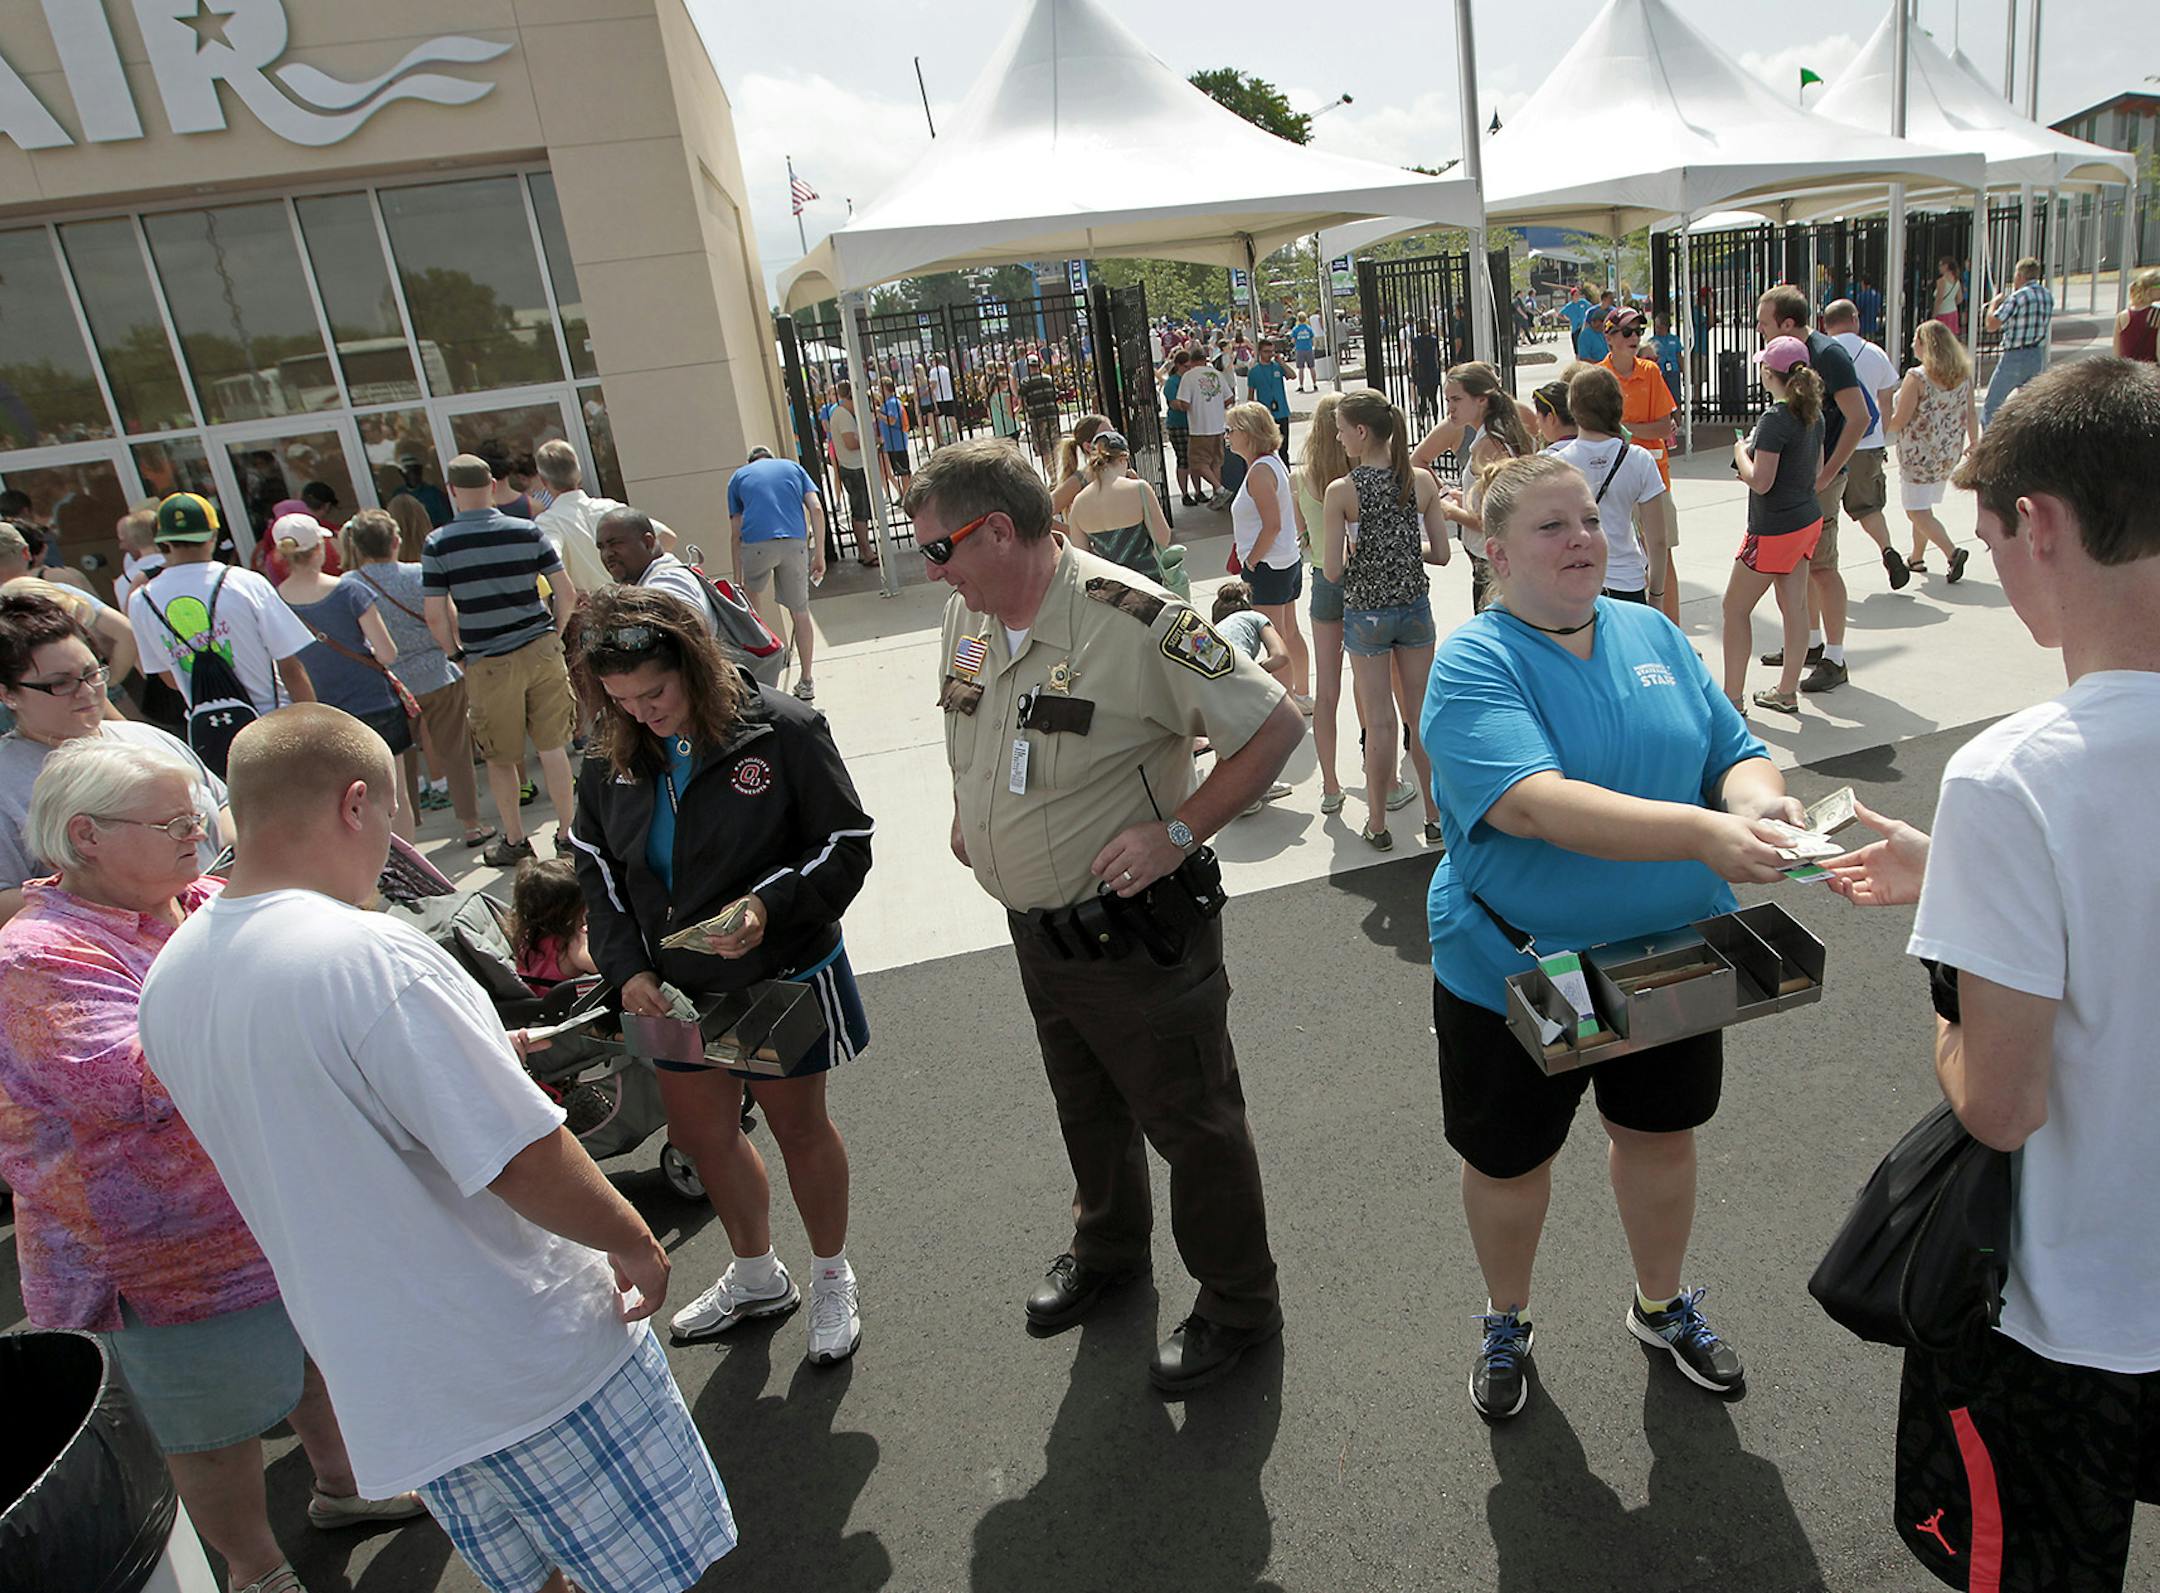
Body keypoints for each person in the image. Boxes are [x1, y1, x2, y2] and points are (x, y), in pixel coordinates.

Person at [139, 705, 736, 1593]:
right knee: (655, 1573)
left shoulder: (171, 976)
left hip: (393, 1382)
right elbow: (519, 1155)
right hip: (527, 1352)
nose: (390, 842)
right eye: (387, 816)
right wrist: (632, 1238)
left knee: (536, 1581)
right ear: (353, 803)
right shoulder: (371, 954)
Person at [1822, 357, 2160, 1590]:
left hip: (2078, 1308)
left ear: (2045, 523)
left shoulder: (2017, 776)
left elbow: (2001, 1102)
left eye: (1994, 536)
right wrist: (1965, 872)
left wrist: (1954, 989)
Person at [910, 439, 1301, 1394]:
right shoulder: (969, 613)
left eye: (939, 547)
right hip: (1038, 931)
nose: (934, 569)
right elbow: (975, 720)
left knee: (1193, 1123)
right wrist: (973, 810)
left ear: (998, 529)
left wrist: (1179, 829)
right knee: (1085, 1105)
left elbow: (1277, 726)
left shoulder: (1138, 617)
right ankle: (1110, 1249)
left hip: (1135, 934)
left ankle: (1238, 1304)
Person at [1423, 451, 1799, 1421]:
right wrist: (1712, 833)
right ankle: (1507, 1317)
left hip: (1671, 954)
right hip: (1526, 968)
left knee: (1660, 1137)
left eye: (1589, 520)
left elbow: (1736, 753)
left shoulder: (1652, 632)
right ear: (1495, 553)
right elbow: (1538, 806)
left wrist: (1764, 809)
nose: (1584, 539)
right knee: (1511, 1162)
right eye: (1553, 527)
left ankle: (1662, 1306)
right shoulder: (1475, 661)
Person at [0, 737, 425, 1593]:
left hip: (265, 1206)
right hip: (158, 1254)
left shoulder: (198, 898)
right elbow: (128, 1081)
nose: (198, 832)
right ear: (85, 835)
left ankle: (346, 1486)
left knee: (316, 1355)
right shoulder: (37, 954)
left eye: (195, 812)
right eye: (171, 821)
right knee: (211, 1424)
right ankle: (253, 1565)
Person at [568, 586, 873, 1366]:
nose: (640, 712)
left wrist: (769, 908)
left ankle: (832, 1272)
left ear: (693, 662)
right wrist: (627, 966)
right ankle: (754, 1272)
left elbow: (847, 842)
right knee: (704, 1135)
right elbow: (597, 872)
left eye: (654, 691)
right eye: (620, 698)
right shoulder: (610, 756)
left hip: (772, 974)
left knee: (799, 1128)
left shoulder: (783, 728)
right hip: (672, 985)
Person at [0, 593, 228, 926]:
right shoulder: (6, 780)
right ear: (7, 694)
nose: (87, 691)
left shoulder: (148, 738)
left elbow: (223, 806)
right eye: (60, 684)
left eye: (93, 673)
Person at [421, 454, 578, 869]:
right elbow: (566, 592)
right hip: (540, 647)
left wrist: (456, 655)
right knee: (553, 748)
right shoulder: (527, 531)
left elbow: (435, 614)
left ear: (452, 491)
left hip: (487, 658)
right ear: (492, 484)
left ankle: (515, 839)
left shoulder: (439, 543)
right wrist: (555, 635)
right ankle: (568, 834)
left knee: (500, 756)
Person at [1324, 390, 1449, 851]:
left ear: (1361, 431)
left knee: (1380, 724)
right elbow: (1441, 553)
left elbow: (1333, 571)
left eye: (1341, 429)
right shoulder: (1420, 481)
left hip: (1366, 614)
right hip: (1414, 608)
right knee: (1420, 717)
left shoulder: (1343, 491)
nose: (1338, 438)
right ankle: (1435, 816)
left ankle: (1378, 823)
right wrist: (1401, 550)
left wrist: (1360, 550)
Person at [129, 494, 317, 772]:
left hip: (214, 739)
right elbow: (291, 667)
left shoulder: (141, 600)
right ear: (213, 535)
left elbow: (167, 678)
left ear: (163, 541)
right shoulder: (246, 583)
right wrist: (316, 729)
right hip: (276, 729)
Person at [341, 509, 493, 850]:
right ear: (396, 541)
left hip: (390, 684)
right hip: (437, 672)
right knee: (456, 752)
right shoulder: (420, 574)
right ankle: (471, 824)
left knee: (397, 763)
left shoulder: (349, 585)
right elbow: (448, 619)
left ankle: (403, 834)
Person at [1754, 286, 1869, 694]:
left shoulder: (1828, 354)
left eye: (1764, 323)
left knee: (1822, 567)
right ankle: (1811, 645)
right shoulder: (1793, 358)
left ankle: (1835, 658)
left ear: (1787, 323)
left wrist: (1826, 474)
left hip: (1815, 482)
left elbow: (1859, 417)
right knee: (1799, 570)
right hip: (1795, 485)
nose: (1759, 331)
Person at [271, 513, 413, 841]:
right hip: (373, 700)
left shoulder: (275, 601)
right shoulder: (349, 589)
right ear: (320, 548)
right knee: (395, 795)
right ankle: (411, 875)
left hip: (322, 713)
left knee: (347, 805)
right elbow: (387, 653)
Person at [1722, 337, 1826, 715]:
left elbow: (1761, 480)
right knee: (1794, 607)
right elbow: (1815, 472)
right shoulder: (1814, 413)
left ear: (1769, 373)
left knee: (1734, 608)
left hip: (1773, 528)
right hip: (1805, 520)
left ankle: (1732, 699)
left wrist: (1740, 454)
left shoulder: (1774, 419)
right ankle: (1786, 691)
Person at [1549, 366, 1670, 607]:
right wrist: (1657, 596)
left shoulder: (1556, 464)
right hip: (1628, 580)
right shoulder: (1639, 459)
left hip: (1576, 578)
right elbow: (1657, 540)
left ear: (1574, 408)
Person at [1598, 307, 1687, 622]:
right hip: (1612, 480)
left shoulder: (1650, 371)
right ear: (1609, 337)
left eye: (1638, 330)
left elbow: (1665, 427)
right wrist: (1633, 429)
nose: (1635, 337)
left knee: (1661, 553)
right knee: (1616, 557)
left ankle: (1672, 632)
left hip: (1652, 477)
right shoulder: (1597, 377)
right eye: (1627, 332)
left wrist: (1623, 429)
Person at [1821, 298, 1912, 590]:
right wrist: (1880, 438)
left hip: (1831, 443)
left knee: (1825, 512)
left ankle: (1826, 568)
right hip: (1866, 443)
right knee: (1868, 507)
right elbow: (1885, 403)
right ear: (1855, 318)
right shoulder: (1875, 353)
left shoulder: (1821, 353)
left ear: (1825, 323)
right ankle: (1887, 549)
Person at [1292, 393, 1355, 813]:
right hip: (1361, 577)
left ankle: (1330, 785)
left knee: (1327, 687)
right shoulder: (1354, 474)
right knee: (1373, 684)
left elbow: (1303, 535)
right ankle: (1383, 772)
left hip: (1322, 578)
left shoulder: (1303, 478)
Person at [726, 447, 827, 702]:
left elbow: (736, 532)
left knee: (752, 613)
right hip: (793, 542)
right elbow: (815, 508)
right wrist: (819, 554)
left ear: (750, 462)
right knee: (800, 613)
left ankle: (760, 680)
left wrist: (737, 576)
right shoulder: (794, 468)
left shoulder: (739, 477)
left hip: (756, 544)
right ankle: (806, 681)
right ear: (771, 459)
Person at [1225, 403, 1308, 708]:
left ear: (1247, 433)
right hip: (1285, 560)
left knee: (1276, 642)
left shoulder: (1259, 472)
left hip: (1269, 565)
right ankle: (1300, 692)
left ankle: (1286, 703)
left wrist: (1250, 562)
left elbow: (1271, 525)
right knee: (1289, 631)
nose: (1227, 437)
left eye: (1231, 431)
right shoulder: (1271, 463)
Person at [1885, 319, 1977, 582]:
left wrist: (1877, 424)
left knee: (1916, 510)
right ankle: (1916, 557)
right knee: (1923, 507)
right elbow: (1970, 412)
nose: (1912, 344)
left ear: (1926, 345)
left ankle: (1952, 552)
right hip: (1947, 451)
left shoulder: (1917, 377)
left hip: (1918, 452)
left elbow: (1900, 419)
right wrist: (1974, 441)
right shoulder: (1962, 375)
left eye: (1916, 340)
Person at [0, 521, 141, 691]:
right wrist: (108, 683)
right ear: (26, 553)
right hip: (83, 690)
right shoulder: (57, 593)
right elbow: (125, 631)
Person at [1067, 429, 1172, 584]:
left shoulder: (1079, 502)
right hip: (1146, 582)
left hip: (1110, 590)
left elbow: (1083, 557)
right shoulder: (1139, 489)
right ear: (1123, 458)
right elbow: (1163, 538)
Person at [530, 437, 620, 595]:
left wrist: (571, 593)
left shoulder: (549, 522)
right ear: (579, 474)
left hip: (588, 609)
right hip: (625, 599)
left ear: (544, 481)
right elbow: (666, 537)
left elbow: (549, 561)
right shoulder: (611, 508)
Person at [507, 855, 595, 993]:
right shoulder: (572, 946)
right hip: (562, 1006)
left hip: (534, 998)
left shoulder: (528, 933)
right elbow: (602, 967)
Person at [1983, 255, 2053, 423]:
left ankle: (1990, 440)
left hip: (2014, 355)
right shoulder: (2047, 296)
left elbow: (1991, 325)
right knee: (2030, 403)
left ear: (2020, 276)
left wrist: (1994, 304)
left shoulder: (2018, 297)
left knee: (1993, 404)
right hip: (2036, 354)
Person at [819, 381, 879, 565]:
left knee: (860, 510)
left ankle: (864, 551)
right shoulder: (843, 415)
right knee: (861, 511)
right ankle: (867, 552)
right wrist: (870, 438)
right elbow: (850, 443)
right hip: (853, 467)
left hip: (852, 466)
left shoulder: (840, 413)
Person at [1175, 356, 1233, 508]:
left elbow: (1185, 403)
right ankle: (1217, 495)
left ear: (1192, 361)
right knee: (1216, 463)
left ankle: (1220, 490)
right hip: (1218, 426)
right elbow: (1229, 399)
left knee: (1197, 463)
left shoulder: (1188, 377)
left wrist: (1179, 405)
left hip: (1199, 428)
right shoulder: (1217, 375)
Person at [1049, 414, 1114, 536]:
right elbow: (1041, 516)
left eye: (1114, 433)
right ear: (1089, 447)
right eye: (1106, 436)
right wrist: (1077, 535)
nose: (1114, 439)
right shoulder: (1081, 479)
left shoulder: (1125, 470)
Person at [1245, 339, 1294, 465]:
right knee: (1267, 448)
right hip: (1266, 415)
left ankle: (1286, 472)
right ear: (1260, 352)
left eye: (1272, 351)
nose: (1270, 354)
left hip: (1282, 412)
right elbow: (1250, 395)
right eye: (1266, 352)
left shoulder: (1277, 367)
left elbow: (1292, 375)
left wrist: (1282, 362)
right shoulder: (1254, 372)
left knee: (1284, 448)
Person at [1162, 350, 1198, 507]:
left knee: (1195, 460)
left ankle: (1198, 491)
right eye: (1186, 367)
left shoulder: (1190, 380)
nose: (1188, 370)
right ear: (1177, 366)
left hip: (1193, 424)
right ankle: (1184, 493)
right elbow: (1176, 404)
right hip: (1178, 424)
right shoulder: (1172, 383)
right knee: (1183, 460)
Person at [1016, 359, 1062, 464]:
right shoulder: (1048, 379)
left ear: (1028, 367)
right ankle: (1058, 473)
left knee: (1044, 449)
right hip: (1052, 415)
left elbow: (1022, 402)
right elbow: (1056, 396)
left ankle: (1052, 477)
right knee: (1055, 445)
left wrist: (1019, 411)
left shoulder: (1026, 382)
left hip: (1037, 417)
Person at [876, 376, 914, 500]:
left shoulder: (892, 402)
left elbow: (892, 420)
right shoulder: (887, 403)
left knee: (904, 471)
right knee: (899, 470)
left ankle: (908, 496)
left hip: (897, 442)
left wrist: (879, 414)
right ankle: (905, 495)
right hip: (891, 443)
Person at [2113, 266, 2160, 364]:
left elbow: (2117, 354)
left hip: (2126, 373)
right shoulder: (2157, 315)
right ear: (2149, 290)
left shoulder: (2121, 316)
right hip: (2149, 373)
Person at [1410, 319, 1444, 431]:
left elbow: (1412, 357)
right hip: (1432, 372)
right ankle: (1436, 421)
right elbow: (1437, 356)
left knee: (1422, 399)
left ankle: (1422, 421)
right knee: (1433, 399)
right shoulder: (1433, 340)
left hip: (1421, 373)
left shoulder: (1415, 341)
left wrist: (1411, 370)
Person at [1932, 255, 1965, 338]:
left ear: (1946, 266)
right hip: (1953, 312)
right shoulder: (1956, 281)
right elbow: (1960, 298)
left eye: (1940, 265)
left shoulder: (1942, 281)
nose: (1939, 268)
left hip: (1942, 313)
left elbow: (1939, 299)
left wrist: (1934, 314)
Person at [1561, 285, 1592, 358]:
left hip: (1584, 328)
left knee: (1586, 347)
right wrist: (1567, 319)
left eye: (1578, 294)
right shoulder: (1569, 306)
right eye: (1576, 295)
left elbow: (1591, 308)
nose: (1577, 296)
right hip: (1575, 329)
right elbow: (1560, 314)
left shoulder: (1583, 302)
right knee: (1577, 350)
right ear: (1572, 296)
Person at [1291, 318, 1318, 391]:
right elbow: (1313, 338)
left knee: (1301, 369)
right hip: (1308, 349)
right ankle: (1315, 384)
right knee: (1312, 367)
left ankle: (1301, 385)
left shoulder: (1295, 329)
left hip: (1300, 349)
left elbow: (1293, 340)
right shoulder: (1309, 328)